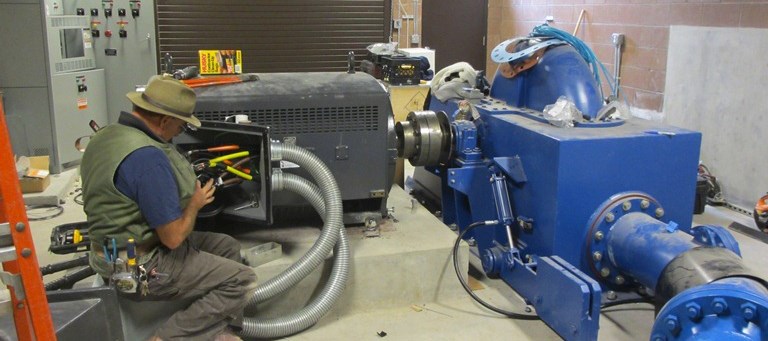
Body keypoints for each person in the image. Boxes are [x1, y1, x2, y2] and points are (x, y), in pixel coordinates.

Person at [81, 75, 256, 341]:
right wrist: (195, 205)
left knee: (227, 246)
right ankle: (167, 337)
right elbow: (173, 238)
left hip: (110, 252)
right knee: (241, 279)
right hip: (142, 265)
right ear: (164, 120)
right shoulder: (149, 159)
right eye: (180, 124)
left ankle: (222, 331)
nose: (180, 131)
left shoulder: (107, 136)